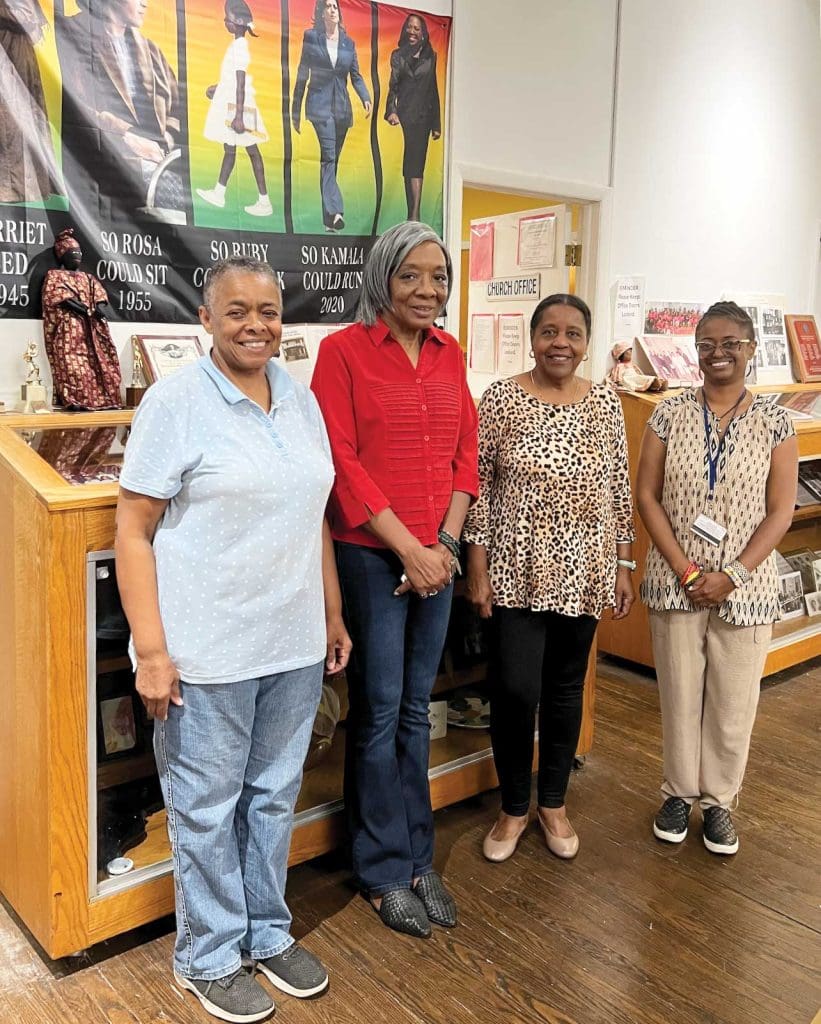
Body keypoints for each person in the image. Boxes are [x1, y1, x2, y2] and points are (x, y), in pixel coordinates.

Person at [115, 256, 351, 1024]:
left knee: (273, 800)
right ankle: (209, 954)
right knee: (206, 807)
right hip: (205, 652)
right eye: (238, 311)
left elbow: (311, 512)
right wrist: (152, 651)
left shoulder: (298, 397)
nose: (256, 325)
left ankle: (264, 930)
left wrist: (331, 613)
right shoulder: (176, 402)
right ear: (206, 320)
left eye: (269, 311)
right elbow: (133, 527)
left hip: (291, 645)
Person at [311, 221, 478, 938]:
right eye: (410, 274)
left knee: (416, 710)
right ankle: (380, 870)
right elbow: (339, 461)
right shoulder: (341, 352)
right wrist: (407, 549)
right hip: (372, 556)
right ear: (382, 276)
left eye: (438, 276)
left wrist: (440, 545)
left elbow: (465, 455)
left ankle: (418, 859)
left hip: (434, 556)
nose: (427, 289)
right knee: (378, 713)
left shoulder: (449, 353)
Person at [464, 294, 635, 864]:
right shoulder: (501, 399)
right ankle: (514, 806)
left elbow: (618, 487)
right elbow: (480, 487)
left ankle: (553, 804)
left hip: (584, 569)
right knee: (514, 690)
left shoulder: (606, 403)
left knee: (564, 691)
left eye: (573, 333)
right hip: (515, 568)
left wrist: (623, 563)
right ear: (532, 337)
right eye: (549, 331)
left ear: (587, 342)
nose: (561, 342)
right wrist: (477, 565)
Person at [636, 300, 798, 855]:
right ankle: (679, 793)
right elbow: (646, 496)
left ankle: (719, 802)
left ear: (751, 350)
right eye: (707, 343)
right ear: (695, 351)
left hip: (746, 589)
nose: (718, 353)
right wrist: (685, 567)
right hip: (674, 580)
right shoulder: (668, 414)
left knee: (733, 702)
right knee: (680, 693)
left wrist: (732, 573)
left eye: (731, 343)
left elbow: (781, 511)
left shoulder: (776, 420)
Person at [58, 0, 179, 213]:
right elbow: (69, 104)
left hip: (156, 163)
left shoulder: (151, 51)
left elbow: (177, 110)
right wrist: (126, 136)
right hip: (96, 164)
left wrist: (166, 139)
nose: (145, 4)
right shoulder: (71, 34)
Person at [291, 0, 371, 232]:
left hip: (342, 109)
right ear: (321, 12)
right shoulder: (311, 37)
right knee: (328, 157)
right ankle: (336, 211)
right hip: (319, 106)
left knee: (331, 163)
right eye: (328, 6)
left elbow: (355, 75)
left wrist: (365, 96)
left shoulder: (348, 43)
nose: (333, 10)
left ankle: (328, 221)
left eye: (335, 6)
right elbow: (301, 73)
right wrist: (295, 109)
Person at [197, 0, 272, 218]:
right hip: (235, 106)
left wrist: (239, 117)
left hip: (240, 109)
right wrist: (217, 88)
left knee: (252, 151)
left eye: (226, 17)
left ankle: (264, 201)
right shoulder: (236, 45)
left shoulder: (240, 47)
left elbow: (240, 83)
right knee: (230, 149)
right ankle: (219, 192)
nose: (224, 21)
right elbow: (231, 80)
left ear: (238, 22)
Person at [41, 228, 122, 410]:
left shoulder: (88, 277)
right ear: (62, 255)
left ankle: (106, 399)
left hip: (92, 328)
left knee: (102, 363)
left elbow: (99, 295)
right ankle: (75, 399)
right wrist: (81, 308)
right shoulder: (55, 276)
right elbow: (59, 296)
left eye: (79, 253)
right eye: (72, 253)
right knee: (72, 365)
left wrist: (99, 308)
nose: (77, 256)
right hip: (71, 329)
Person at [0, 0, 64, 203]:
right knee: (9, 120)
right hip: (8, 51)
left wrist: (33, 20)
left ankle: (25, 185)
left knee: (24, 119)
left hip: (18, 53)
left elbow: (28, 16)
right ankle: (13, 187)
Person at [384, 13, 441, 221]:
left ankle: (414, 215)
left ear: (424, 33)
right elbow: (393, 86)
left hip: (424, 117)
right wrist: (391, 110)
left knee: (416, 164)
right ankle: (413, 214)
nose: (412, 32)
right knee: (410, 164)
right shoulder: (398, 56)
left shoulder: (431, 56)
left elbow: (433, 89)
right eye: (409, 28)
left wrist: (436, 124)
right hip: (406, 115)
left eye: (417, 29)